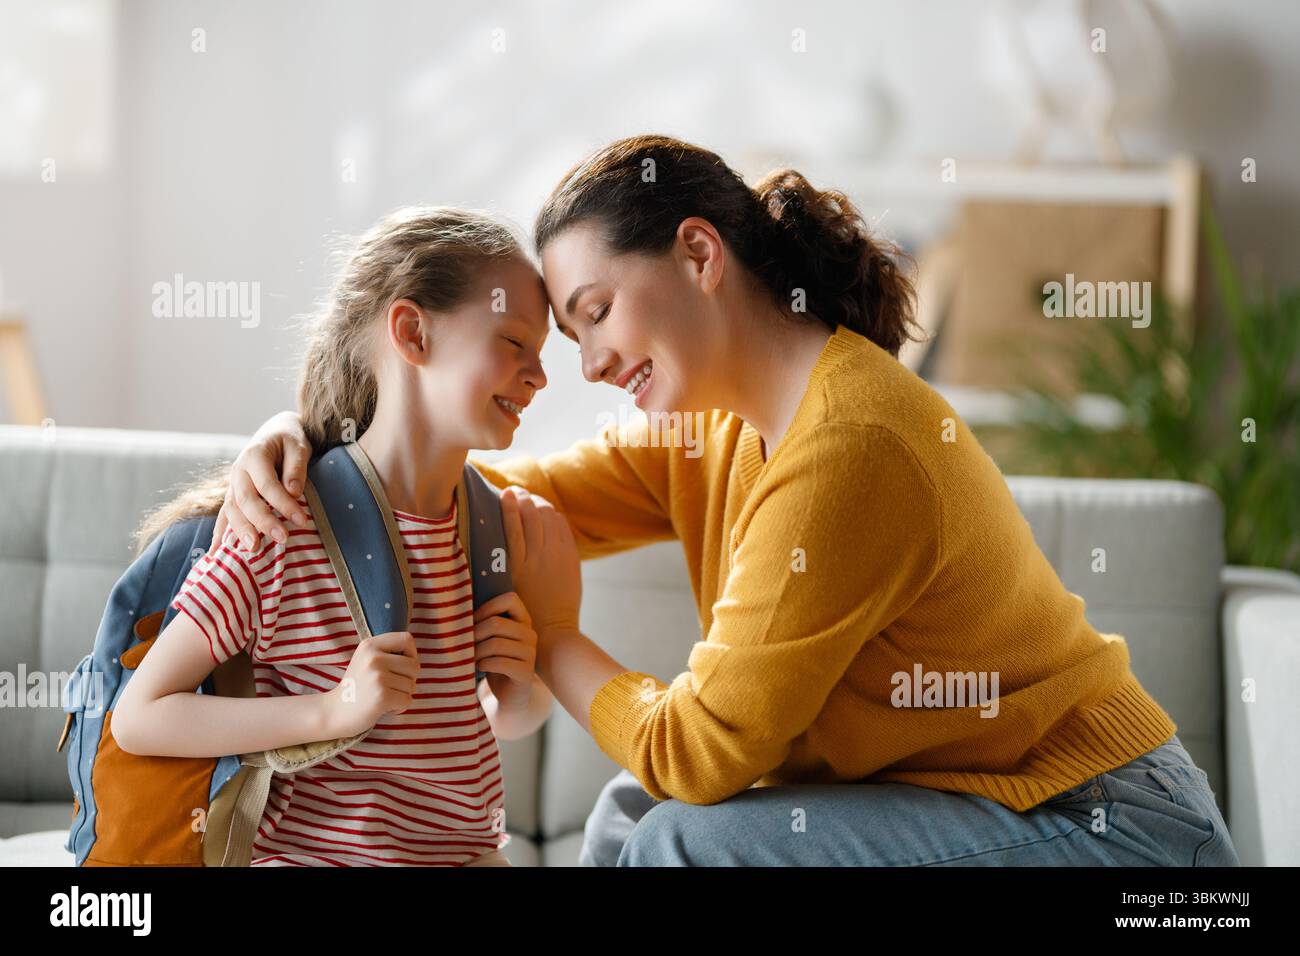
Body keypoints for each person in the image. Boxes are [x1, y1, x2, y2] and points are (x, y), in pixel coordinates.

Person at [211, 134, 1240, 866]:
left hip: (1111, 827)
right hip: (970, 798)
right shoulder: (706, 429)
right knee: (628, 807)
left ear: (700, 254)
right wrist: (310, 443)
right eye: (572, 339)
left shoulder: (851, 448)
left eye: (597, 311)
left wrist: (559, 639)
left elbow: (699, 752)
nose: (594, 361)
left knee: (676, 834)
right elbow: (480, 494)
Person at [113, 206, 556, 866]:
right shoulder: (282, 523)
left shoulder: (493, 525)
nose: (539, 375)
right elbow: (140, 715)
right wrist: (332, 709)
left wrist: (522, 690)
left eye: (541, 354)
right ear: (412, 333)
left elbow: (490, 726)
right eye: (514, 342)